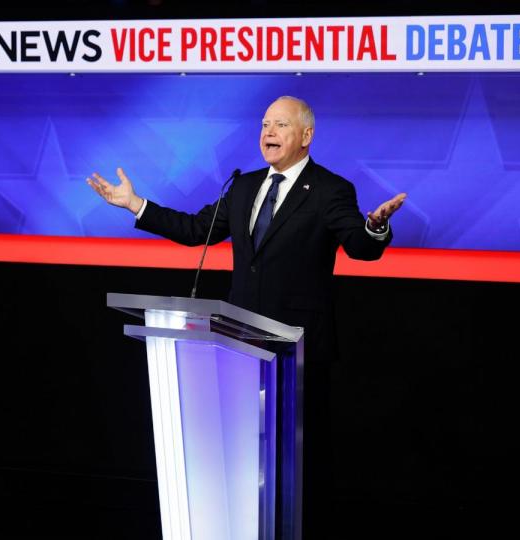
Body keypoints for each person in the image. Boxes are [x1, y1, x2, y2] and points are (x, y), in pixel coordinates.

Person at [87, 95, 406, 538]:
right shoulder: (243, 186)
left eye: (279, 124)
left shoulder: (331, 190)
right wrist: (136, 205)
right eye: (264, 125)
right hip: (237, 346)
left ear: (306, 135)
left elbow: (359, 245)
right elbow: (196, 230)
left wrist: (376, 227)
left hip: (297, 351)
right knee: (242, 456)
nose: (268, 133)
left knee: (297, 466)